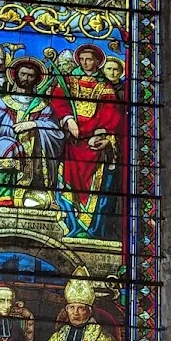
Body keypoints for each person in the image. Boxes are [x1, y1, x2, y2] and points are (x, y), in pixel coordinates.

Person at [0, 56, 64, 207]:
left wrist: (33, 124)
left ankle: (29, 193)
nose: (26, 79)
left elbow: (55, 131)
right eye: (23, 74)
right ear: (16, 76)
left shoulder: (43, 106)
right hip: (5, 144)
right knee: (5, 145)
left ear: (36, 79)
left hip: (34, 155)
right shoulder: (3, 102)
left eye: (31, 76)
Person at [51, 44, 123, 238]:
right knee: (67, 179)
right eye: (82, 59)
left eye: (89, 59)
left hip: (94, 142)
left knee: (96, 184)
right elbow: (58, 100)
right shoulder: (69, 82)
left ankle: (91, 228)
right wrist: (68, 119)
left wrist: (102, 133)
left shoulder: (105, 86)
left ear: (98, 62)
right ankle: (70, 223)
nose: (85, 63)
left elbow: (111, 112)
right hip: (73, 141)